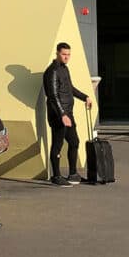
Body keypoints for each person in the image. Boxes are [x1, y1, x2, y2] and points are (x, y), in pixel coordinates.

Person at [42, 42, 92, 187]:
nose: (66, 57)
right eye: (64, 54)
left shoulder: (65, 69)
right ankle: (56, 176)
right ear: (57, 53)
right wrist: (62, 114)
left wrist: (85, 97)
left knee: (74, 142)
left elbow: (70, 88)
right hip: (58, 115)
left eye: (68, 54)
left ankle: (73, 174)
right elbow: (53, 95)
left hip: (68, 113)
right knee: (57, 144)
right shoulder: (52, 71)